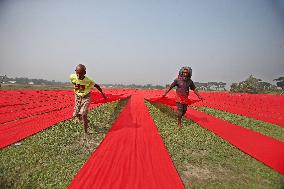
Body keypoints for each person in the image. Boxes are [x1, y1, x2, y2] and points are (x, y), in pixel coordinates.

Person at [70, 64, 107, 134]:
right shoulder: (72, 77)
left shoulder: (89, 80)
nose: (78, 76)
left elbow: (97, 86)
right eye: (77, 73)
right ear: (75, 72)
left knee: (83, 114)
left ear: (84, 73)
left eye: (80, 74)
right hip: (77, 97)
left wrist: (103, 94)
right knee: (76, 115)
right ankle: (86, 121)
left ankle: (86, 132)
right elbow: (73, 81)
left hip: (86, 97)